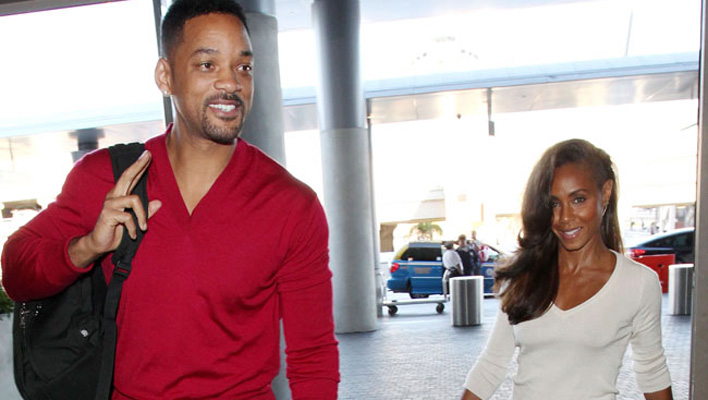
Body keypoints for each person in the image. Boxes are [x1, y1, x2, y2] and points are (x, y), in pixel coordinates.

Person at [1, 1, 339, 398]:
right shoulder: (108, 177)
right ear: (166, 76)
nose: (231, 83)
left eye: (243, 67)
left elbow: (313, 355)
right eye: (207, 65)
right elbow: (16, 273)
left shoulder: (291, 205)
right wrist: (87, 247)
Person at [461, 139, 673, 400]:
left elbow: (652, 372)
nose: (564, 218)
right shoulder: (524, 277)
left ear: (606, 193)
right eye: (554, 203)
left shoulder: (637, 283)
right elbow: (491, 366)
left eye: (578, 199)